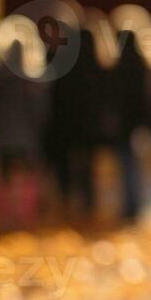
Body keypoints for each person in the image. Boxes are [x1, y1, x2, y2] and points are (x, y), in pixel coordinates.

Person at [0, 37, 49, 231]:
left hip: (3, 137)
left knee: (5, 178)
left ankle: (6, 217)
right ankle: (25, 216)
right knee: (26, 177)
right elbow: (39, 111)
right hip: (26, 138)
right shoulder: (30, 81)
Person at [46, 21, 104, 218]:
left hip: (66, 123)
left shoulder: (65, 63)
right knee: (86, 164)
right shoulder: (95, 68)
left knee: (67, 164)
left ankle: (68, 197)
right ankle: (86, 200)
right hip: (86, 125)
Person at [106, 29, 151, 223]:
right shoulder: (141, 67)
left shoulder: (119, 69)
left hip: (124, 126)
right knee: (133, 166)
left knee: (126, 166)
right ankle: (134, 205)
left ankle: (129, 206)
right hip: (135, 125)